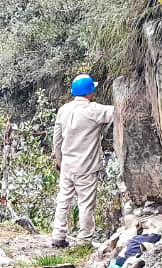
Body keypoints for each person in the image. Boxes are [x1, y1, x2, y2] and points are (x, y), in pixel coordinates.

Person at [52, 73, 115, 248]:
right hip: (86, 167)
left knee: (63, 200)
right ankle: (84, 240)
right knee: (85, 203)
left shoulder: (63, 110)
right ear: (90, 92)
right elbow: (118, 111)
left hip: (67, 165)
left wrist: (59, 160)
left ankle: (58, 236)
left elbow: (57, 140)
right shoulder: (94, 109)